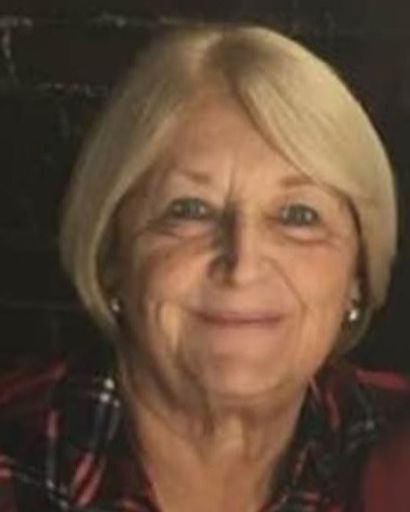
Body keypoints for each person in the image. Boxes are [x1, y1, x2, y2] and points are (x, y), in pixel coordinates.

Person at [0, 22, 409, 512]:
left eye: (298, 216)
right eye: (189, 209)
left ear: (358, 275)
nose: (242, 264)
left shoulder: (397, 449)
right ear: (111, 255)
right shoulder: (18, 453)